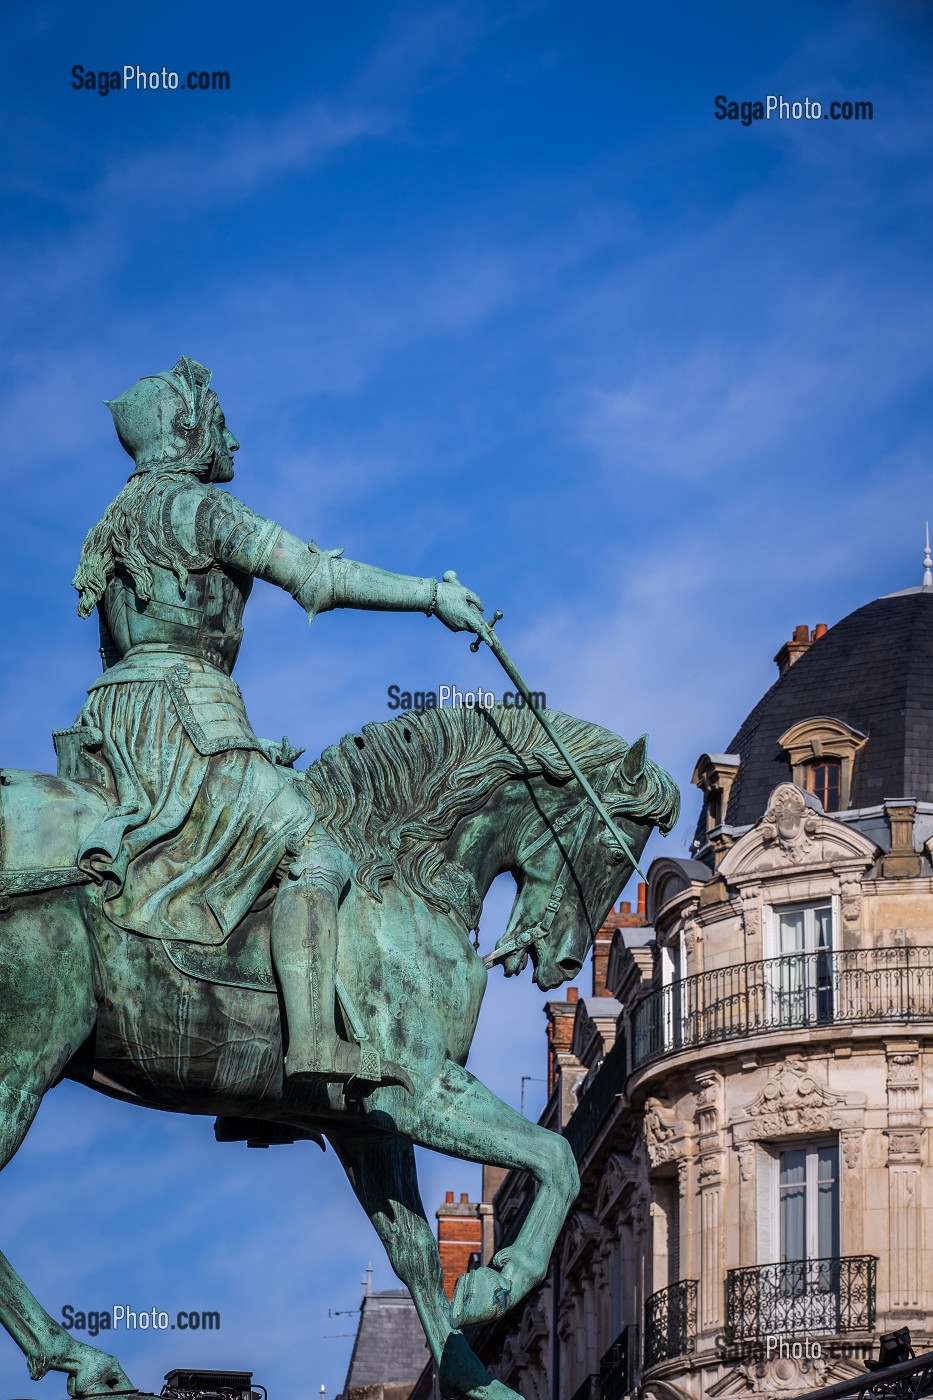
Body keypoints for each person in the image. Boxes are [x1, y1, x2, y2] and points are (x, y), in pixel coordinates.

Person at [71, 355, 487, 1091]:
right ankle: (314, 1046)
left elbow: (123, 647)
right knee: (314, 854)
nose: (232, 441)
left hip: (116, 722)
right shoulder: (201, 510)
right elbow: (315, 575)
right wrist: (430, 596)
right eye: (221, 424)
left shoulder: (111, 525)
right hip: (189, 715)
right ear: (188, 430)